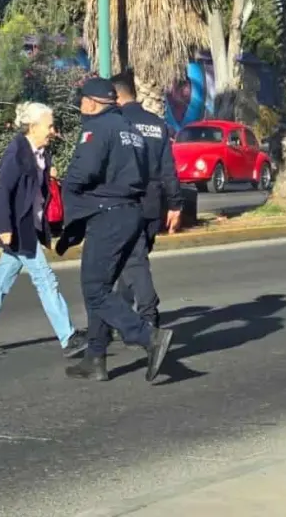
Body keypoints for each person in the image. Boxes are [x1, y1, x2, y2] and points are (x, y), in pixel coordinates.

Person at [58, 77, 175, 382]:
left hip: (107, 215)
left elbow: (83, 172)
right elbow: (147, 172)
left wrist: (67, 192)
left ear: (91, 103)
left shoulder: (97, 128)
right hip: (132, 212)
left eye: (82, 100)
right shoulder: (131, 130)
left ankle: (148, 337)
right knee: (104, 287)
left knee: (94, 290)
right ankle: (95, 358)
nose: (80, 105)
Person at [0, 102, 87, 359]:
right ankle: (68, 337)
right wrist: (4, 227)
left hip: (30, 225)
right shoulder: (17, 153)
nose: (53, 131)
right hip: (20, 228)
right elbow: (3, 191)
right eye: (49, 126)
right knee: (45, 279)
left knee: (1, 281)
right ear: (32, 127)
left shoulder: (40, 153)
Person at [109, 73, 183, 331]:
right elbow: (168, 168)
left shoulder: (118, 122)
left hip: (127, 201)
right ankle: (119, 317)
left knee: (134, 260)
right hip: (153, 203)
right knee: (134, 259)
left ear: (116, 97)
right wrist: (175, 204)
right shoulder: (157, 124)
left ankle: (149, 315)